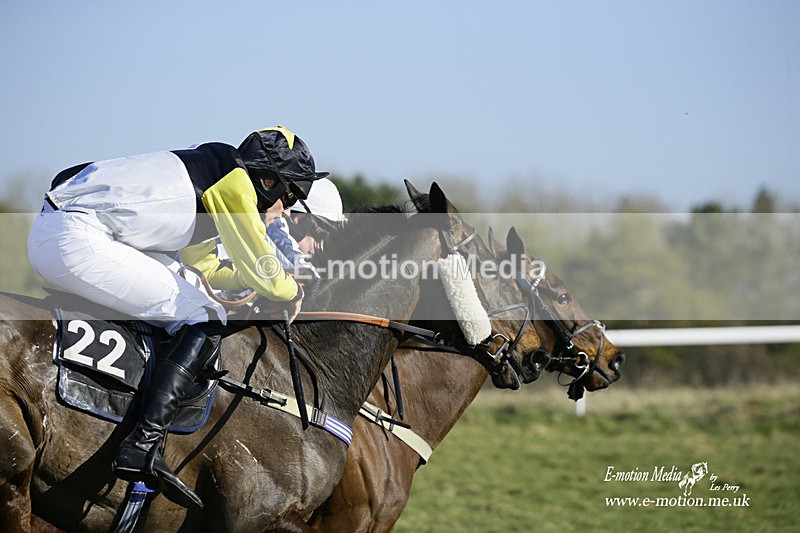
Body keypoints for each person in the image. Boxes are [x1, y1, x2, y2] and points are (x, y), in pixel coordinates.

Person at [27, 126, 327, 509]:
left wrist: (258, 282)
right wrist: (292, 290)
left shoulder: (215, 176)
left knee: (198, 296)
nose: (285, 210)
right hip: (75, 236)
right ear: (269, 181)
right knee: (204, 316)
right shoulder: (234, 183)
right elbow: (263, 271)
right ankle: (143, 444)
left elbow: (208, 270)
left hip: (72, 229)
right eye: (290, 197)